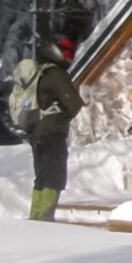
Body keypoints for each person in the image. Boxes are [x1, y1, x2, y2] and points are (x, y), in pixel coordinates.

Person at [27, 37, 83, 221]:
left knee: (42, 177)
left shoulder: (37, 73)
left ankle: (35, 216)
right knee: (54, 177)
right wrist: (63, 115)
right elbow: (74, 103)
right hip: (53, 131)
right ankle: (44, 218)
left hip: (36, 133)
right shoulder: (57, 74)